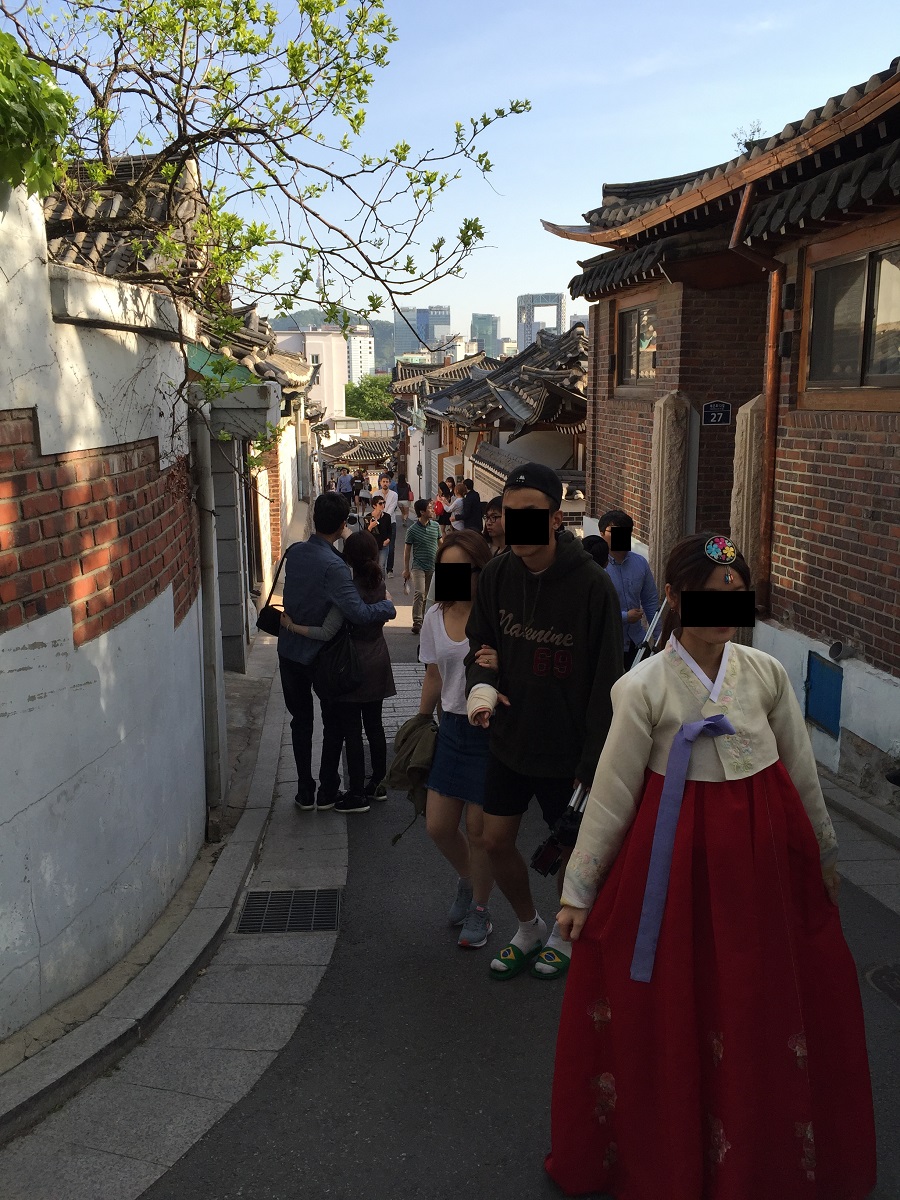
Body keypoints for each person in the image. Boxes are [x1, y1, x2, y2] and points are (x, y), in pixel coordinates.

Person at [546, 531, 876, 1198]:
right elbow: (613, 792)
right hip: (675, 872)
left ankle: (755, 1147)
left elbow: (801, 771)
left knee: (756, 999)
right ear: (673, 597)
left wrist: (824, 854)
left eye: (735, 597)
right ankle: (680, 1151)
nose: (724, 612)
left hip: (763, 866)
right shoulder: (642, 687)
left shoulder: (766, 674)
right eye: (707, 596)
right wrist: (579, 890)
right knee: (684, 1001)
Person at [464, 462, 622, 981]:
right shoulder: (496, 575)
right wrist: (481, 686)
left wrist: (593, 763)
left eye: (532, 513)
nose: (519, 524)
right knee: (493, 840)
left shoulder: (593, 587)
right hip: (510, 739)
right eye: (510, 513)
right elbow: (479, 647)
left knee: (572, 855)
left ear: (556, 518)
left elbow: (608, 683)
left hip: (567, 751)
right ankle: (528, 925)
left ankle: (562, 934)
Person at [277, 493, 396, 811]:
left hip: (289, 649)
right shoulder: (336, 566)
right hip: (323, 655)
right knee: (333, 723)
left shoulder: (294, 551)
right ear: (343, 523)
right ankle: (328, 789)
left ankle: (305, 790)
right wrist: (387, 607)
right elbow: (358, 612)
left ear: (314, 518)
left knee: (300, 721)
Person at [418, 531, 495, 948]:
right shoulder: (435, 616)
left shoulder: (496, 616)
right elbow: (434, 675)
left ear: (480, 571)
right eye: (445, 569)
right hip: (450, 727)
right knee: (438, 826)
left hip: (489, 730)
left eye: (461, 569)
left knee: (480, 831)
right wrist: (419, 722)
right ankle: (468, 879)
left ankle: (481, 908)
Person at [600, 508, 659, 669]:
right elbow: (594, 610)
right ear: (602, 534)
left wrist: (659, 637)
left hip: (637, 641)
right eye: (614, 532)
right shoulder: (597, 566)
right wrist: (625, 617)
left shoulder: (640, 563)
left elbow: (650, 601)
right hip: (608, 644)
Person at [403, 498, 440, 635]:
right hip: (418, 566)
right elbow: (407, 551)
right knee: (420, 592)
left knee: (429, 596)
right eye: (429, 508)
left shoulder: (435, 526)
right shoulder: (412, 530)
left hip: (433, 566)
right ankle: (417, 622)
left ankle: (425, 620)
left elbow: (441, 544)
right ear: (422, 512)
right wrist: (406, 569)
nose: (432, 509)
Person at [365, 494, 392, 575]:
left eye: (384, 503)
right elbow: (365, 534)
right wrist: (370, 526)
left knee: (381, 566)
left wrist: (388, 539)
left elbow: (390, 530)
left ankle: (381, 582)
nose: (383, 505)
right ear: (374, 506)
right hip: (372, 545)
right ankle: (374, 581)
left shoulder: (387, 516)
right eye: (380, 503)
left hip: (383, 545)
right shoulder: (368, 517)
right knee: (373, 566)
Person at [378, 473, 399, 574]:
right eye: (383, 482)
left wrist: (383, 518)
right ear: (380, 483)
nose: (385, 483)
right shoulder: (376, 494)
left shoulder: (394, 495)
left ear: (390, 483)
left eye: (387, 482)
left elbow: (391, 508)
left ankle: (389, 569)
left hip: (391, 522)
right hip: (378, 522)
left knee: (391, 546)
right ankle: (379, 567)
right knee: (378, 545)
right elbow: (376, 508)